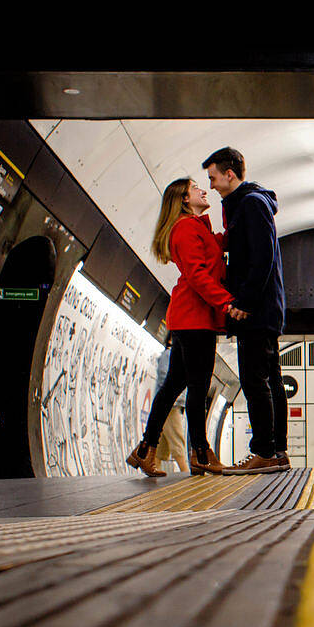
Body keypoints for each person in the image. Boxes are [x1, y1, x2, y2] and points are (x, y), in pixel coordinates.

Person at [126, 177, 233, 477]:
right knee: (198, 386)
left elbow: (222, 242)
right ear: (185, 199)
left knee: (174, 384)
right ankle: (201, 453)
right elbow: (198, 275)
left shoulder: (198, 228)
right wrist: (226, 302)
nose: (202, 190)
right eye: (196, 188)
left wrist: (233, 207)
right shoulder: (185, 229)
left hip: (192, 318)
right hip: (193, 317)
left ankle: (145, 450)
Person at [203, 146, 289, 475]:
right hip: (265, 308)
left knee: (255, 381)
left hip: (257, 310)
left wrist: (244, 303)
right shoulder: (246, 204)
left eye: (213, 177)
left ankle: (264, 451)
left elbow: (262, 257)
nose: (210, 185)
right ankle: (277, 451)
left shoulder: (251, 204)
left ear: (229, 173)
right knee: (271, 380)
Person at [154, 342, 190, 473]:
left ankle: (154, 469)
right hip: (171, 406)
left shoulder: (173, 354)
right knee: (177, 440)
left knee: (161, 444)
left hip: (172, 404)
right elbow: (166, 378)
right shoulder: (169, 354)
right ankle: (186, 473)